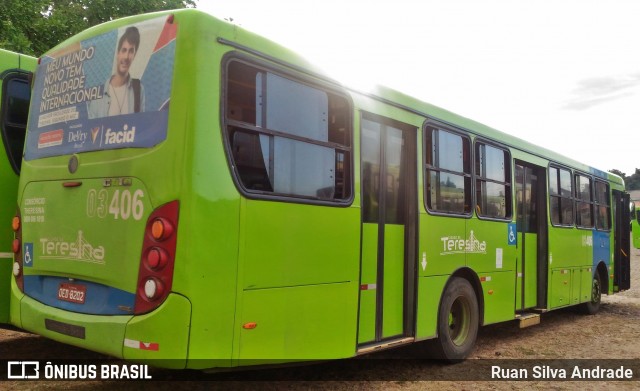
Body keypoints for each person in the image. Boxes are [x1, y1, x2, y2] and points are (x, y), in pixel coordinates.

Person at [88, 26, 145, 118]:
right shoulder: (97, 95)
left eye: (131, 51)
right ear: (118, 53)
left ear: (134, 55)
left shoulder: (138, 89)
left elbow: (140, 125)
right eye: (124, 50)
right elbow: (92, 130)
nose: (126, 57)